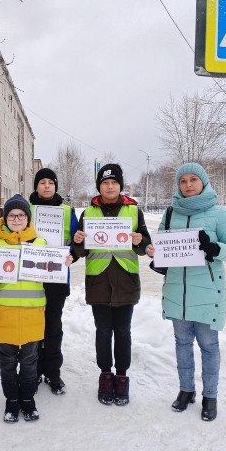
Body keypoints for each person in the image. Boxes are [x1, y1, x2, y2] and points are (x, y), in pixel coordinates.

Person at [0, 194, 73, 423]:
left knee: (29, 362)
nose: (16, 219)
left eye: (21, 215)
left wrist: (62, 263)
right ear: (5, 219)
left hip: (33, 314)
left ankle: (28, 400)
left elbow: (51, 275)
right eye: (12, 215)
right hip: (4, 312)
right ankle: (11, 401)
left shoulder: (41, 244)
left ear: (28, 219)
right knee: (6, 361)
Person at [147, 162, 226, 421]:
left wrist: (215, 248)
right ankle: (186, 390)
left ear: (203, 182)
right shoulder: (170, 213)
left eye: (193, 180)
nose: (188, 185)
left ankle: (210, 396)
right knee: (182, 344)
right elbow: (160, 244)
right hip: (177, 289)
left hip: (207, 291)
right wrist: (153, 251)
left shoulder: (218, 213)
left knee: (209, 345)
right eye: (183, 181)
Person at [72, 164, 151, 406]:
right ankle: (105, 375)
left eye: (114, 183)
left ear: (120, 185)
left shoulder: (133, 211)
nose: (109, 186)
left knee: (123, 332)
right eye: (105, 183)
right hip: (99, 282)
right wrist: (77, 241)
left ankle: (122, 376)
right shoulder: (89, 213)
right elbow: (81, 250)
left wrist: (141, 240)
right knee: (103, 332)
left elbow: (145, 244)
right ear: (99, 186)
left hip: (126, 281)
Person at [29, 168, 79, 395]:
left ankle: (53, 373)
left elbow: (78, 241)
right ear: (36, 186)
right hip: (31, 279)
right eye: (42, 182)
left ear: (56, 186)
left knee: (53, 328)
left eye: (51, 182)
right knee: (34, 327)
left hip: (57, 279)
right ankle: (34, 369)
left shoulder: (67, 212)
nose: (47, 186)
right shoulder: (26, 209)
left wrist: (73, 256)